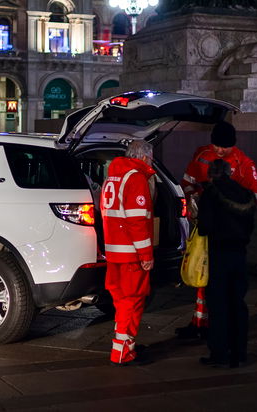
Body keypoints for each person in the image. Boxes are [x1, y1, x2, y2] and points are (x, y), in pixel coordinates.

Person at [177, 120, 257, 340]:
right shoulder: (201, 154)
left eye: (225, 147)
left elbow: (252, 201)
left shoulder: (244, 164)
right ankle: (200, 321)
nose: (220, 150)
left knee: (218, 282)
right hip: (206, 227)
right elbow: (186, 183)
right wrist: (193, 199)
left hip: (227, 234)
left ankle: (214, 325)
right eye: (217, 146)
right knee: (202, 276)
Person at [197, 159, 256, 368]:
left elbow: (204, 227)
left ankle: (219, 353)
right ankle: (239, 352)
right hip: (240, 255)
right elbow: (250, 226)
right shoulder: (245, 194)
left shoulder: (211, 194)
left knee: (219, 305)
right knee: (238, 304)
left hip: (218, 255)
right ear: (229, 173)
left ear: (211, 174)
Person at [101, 139, 156, 366]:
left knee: (121, 300)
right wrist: (146, 255)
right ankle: (122, 352)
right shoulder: (136, 177)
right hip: (131, 254)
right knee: (131, 302)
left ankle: (124, 346)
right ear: (143, 157)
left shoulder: (113, 176)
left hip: (114, 251)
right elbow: (137, 221)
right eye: (150, 157)